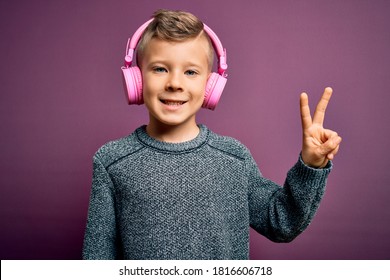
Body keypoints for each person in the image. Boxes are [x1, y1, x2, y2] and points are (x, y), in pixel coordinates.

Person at [82, 9, 341, 260]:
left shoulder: (234, 158)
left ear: (210, 85)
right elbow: (98, 257)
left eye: (191, 72)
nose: (174, 83)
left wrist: (310, 165)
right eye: (160, 69)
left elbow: (282, 222)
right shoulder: (112, 161)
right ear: (137, 79)